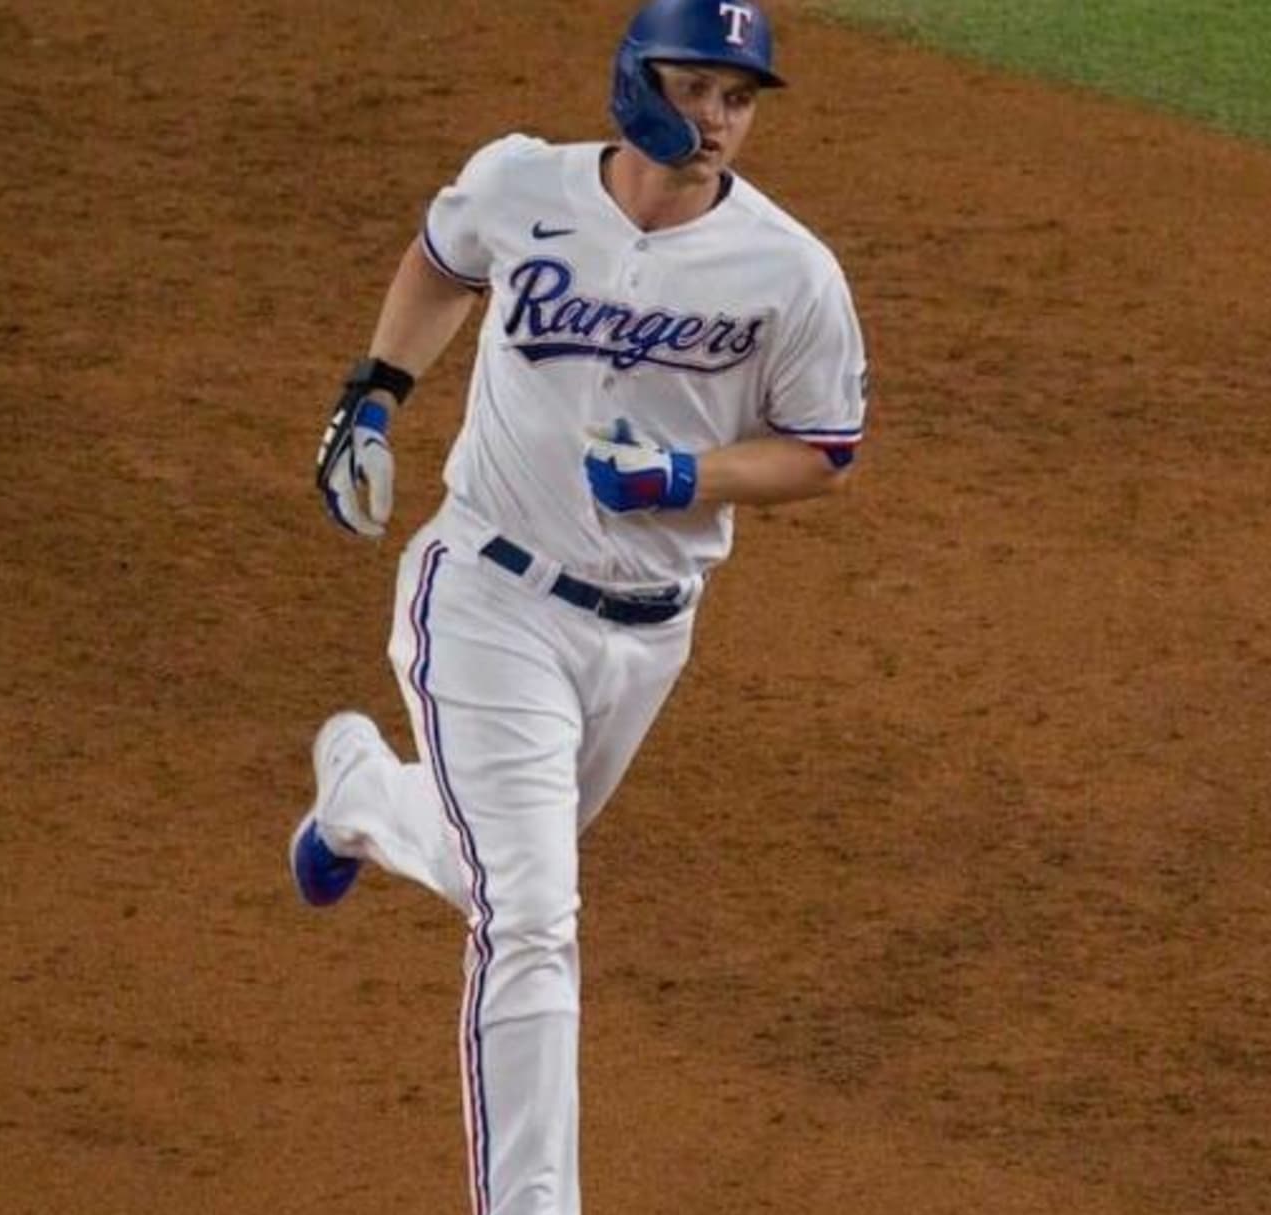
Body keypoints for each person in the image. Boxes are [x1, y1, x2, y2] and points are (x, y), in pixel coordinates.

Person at [287, 1, 869, 1212]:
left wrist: (690, 479)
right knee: (535, 917)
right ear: (634, 75)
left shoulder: (790, 273)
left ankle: (358, 795)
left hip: (646, 636)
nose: (718, 119)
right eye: (700, 86)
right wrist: (377, 393)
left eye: (741, 99)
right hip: (487, 598)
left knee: (485, 867)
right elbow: (441, 263)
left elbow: (824, 449)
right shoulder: (521, 185)